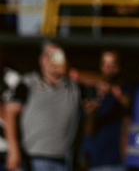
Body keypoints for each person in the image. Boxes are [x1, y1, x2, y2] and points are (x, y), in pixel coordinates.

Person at [4, 42, 81, 171]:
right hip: (33, 159)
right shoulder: (27, 83)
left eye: (56, 56)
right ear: (41, 59)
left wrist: (70, 72)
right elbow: (10, 113)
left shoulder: (74, 87)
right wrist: (13, 150)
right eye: (48, 55)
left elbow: (104, 85)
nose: (52, 60)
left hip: (64, 160)